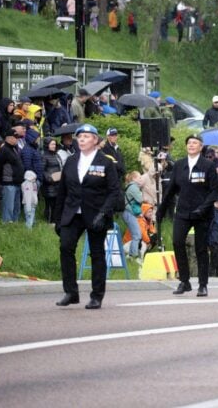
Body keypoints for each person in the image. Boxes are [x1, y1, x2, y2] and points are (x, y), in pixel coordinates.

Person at [53, 124, 122, 309]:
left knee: (97, 254)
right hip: (73, 213)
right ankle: (70, 292)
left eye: (86, 136)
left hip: (95, 214)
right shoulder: (71, 161)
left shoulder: (106, 162)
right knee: (66, 247)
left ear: (95, 140)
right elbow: (62, 192)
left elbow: (114, 191)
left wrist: (103, 213)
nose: (82, 139)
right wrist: (58, 219)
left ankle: (97, 295)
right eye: (79, 137)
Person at [156, 134, 218, 297]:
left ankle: (203, 284)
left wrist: (204, 208)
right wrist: (162, 209)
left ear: (201, 147)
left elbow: (214, 190)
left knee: (200, 248)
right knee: (177, 242)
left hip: (202, 213)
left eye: (195, 143)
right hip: (183, 211)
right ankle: (184, 281)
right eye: (189, 143)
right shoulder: (179, 165)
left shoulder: (208, 166)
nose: (191, 145)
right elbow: (171, 190)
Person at [0, 129, 24, 223]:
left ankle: (14, 225)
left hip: (17, 182)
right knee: (8, 207)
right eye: (16, 138)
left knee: (16, 207)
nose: (17, 140)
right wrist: (0, 180)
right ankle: (7, 225)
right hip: (8, 183)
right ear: (9, 138)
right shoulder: (4, 150)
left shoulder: (14, 149)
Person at [123, 171, 145, 258]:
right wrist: (141, 192)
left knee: (136, 234)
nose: (141, 179)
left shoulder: (131, 186)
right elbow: (140, 199)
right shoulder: (133, 187)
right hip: (128, 213)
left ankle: (132, 254)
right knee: (137, 235)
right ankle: (133, 255)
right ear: (134, 179)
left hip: (128, 212)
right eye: (139, 177)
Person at [41, 137, 63, 223]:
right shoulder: (44, 156)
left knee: (56, 204)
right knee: (50, 204)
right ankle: (50, 222)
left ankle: (55, 220)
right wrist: (50, 179)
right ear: (47, 145)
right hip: (49, 184)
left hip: (58, 182)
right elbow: (42, 170)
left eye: (55, 144)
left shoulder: (56, 155)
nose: (54, 146)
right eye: (52, 144)